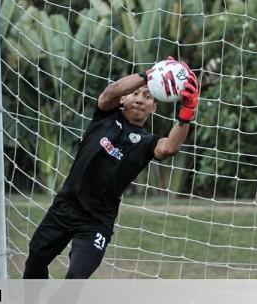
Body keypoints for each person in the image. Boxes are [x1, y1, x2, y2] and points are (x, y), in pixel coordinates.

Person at [23, 57, 199, 279]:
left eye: (147, 96)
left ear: (154, 107)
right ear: (123, 98)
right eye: (135, 93)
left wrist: (187, 111)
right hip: (65, 206)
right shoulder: (104, 116)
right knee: (35, 259)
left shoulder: (147, 142)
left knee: (76, 276)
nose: (140, 99)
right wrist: (149, 75)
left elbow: (169, 148)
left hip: (97, 220)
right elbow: (109, 93)